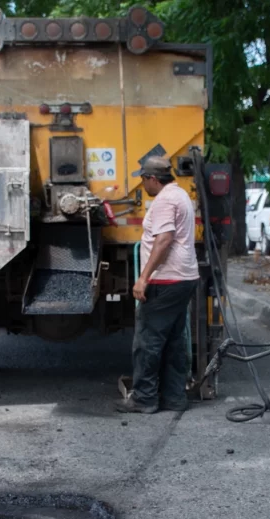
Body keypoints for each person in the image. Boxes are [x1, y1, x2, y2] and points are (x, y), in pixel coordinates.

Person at [116, 156, 200, 414]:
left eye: (143, 179)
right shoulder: (181, 195)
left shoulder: (164, 200)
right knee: (174, 340)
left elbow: (164, 240)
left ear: (153, 179)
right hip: (184, 278)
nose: (142, 185)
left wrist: (144, 278)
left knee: (148, 341)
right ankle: (174, 398)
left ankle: (145, 399)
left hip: (166, 279)